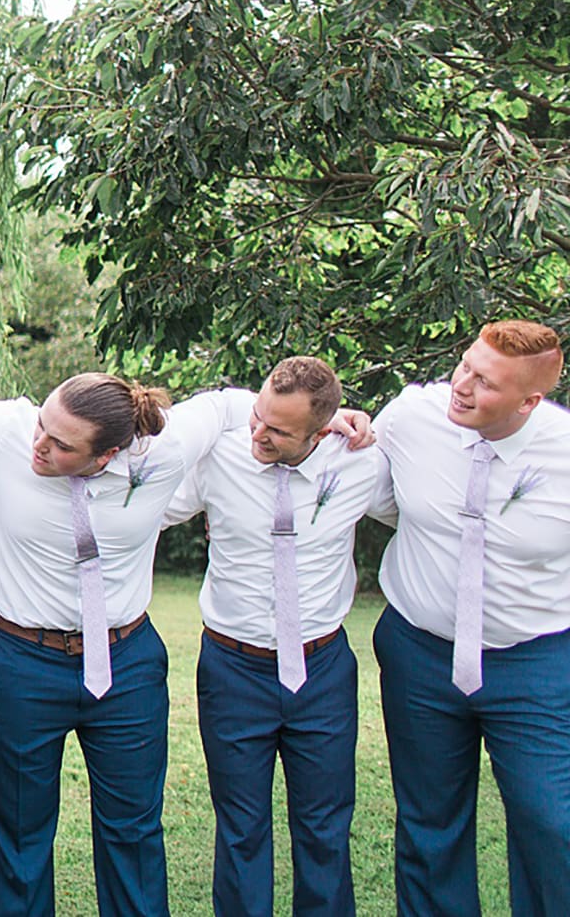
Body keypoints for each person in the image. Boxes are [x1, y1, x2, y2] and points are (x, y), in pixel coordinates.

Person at [0, 374, 245, 917]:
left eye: (63, 445)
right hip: (21, 663)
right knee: (19, 831)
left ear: (107, 454)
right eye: (44, 425)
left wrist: (334, 421)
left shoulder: (165, 451)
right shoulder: (8, 429)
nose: (40, 444)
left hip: (127, 664)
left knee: (133, 830)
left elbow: (228, 408)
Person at [161, 356, 383, 916]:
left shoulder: (362, 464)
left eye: (279, 430)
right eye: (258, 416)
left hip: (323, 669)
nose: (259, 433)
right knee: (240, 827)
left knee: (325, 827)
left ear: (322, 428)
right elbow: (145, 508)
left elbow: (426, 513)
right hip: (233, 669)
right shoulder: (221, 457)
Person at [369, 320, 570, 916]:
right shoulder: (410, 417)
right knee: (429, 824)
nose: (462, 385)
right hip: (419, 653)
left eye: (485, 382)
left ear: (530, 401)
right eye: (464, 366)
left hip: (533, 662)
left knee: (551, 820)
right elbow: (370, 487)